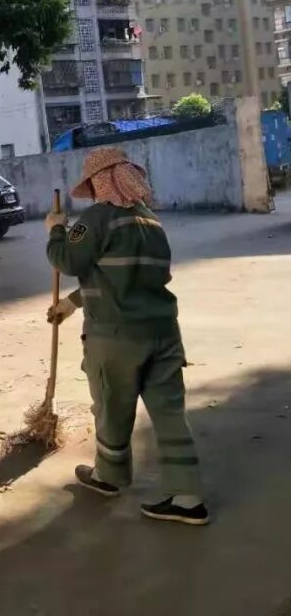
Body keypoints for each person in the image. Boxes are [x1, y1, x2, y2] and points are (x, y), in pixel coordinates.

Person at [45, 146, 208, 525]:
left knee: (111, 406)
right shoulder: (151, 221)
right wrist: (71, 304)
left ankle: (109, 476)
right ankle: (188, 498)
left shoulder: (97, 218)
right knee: (170, 413)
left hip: (116, 337)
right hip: (164, 334)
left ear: (98, 182)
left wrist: (55, 229)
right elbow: (125, 277)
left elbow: (68, 260)